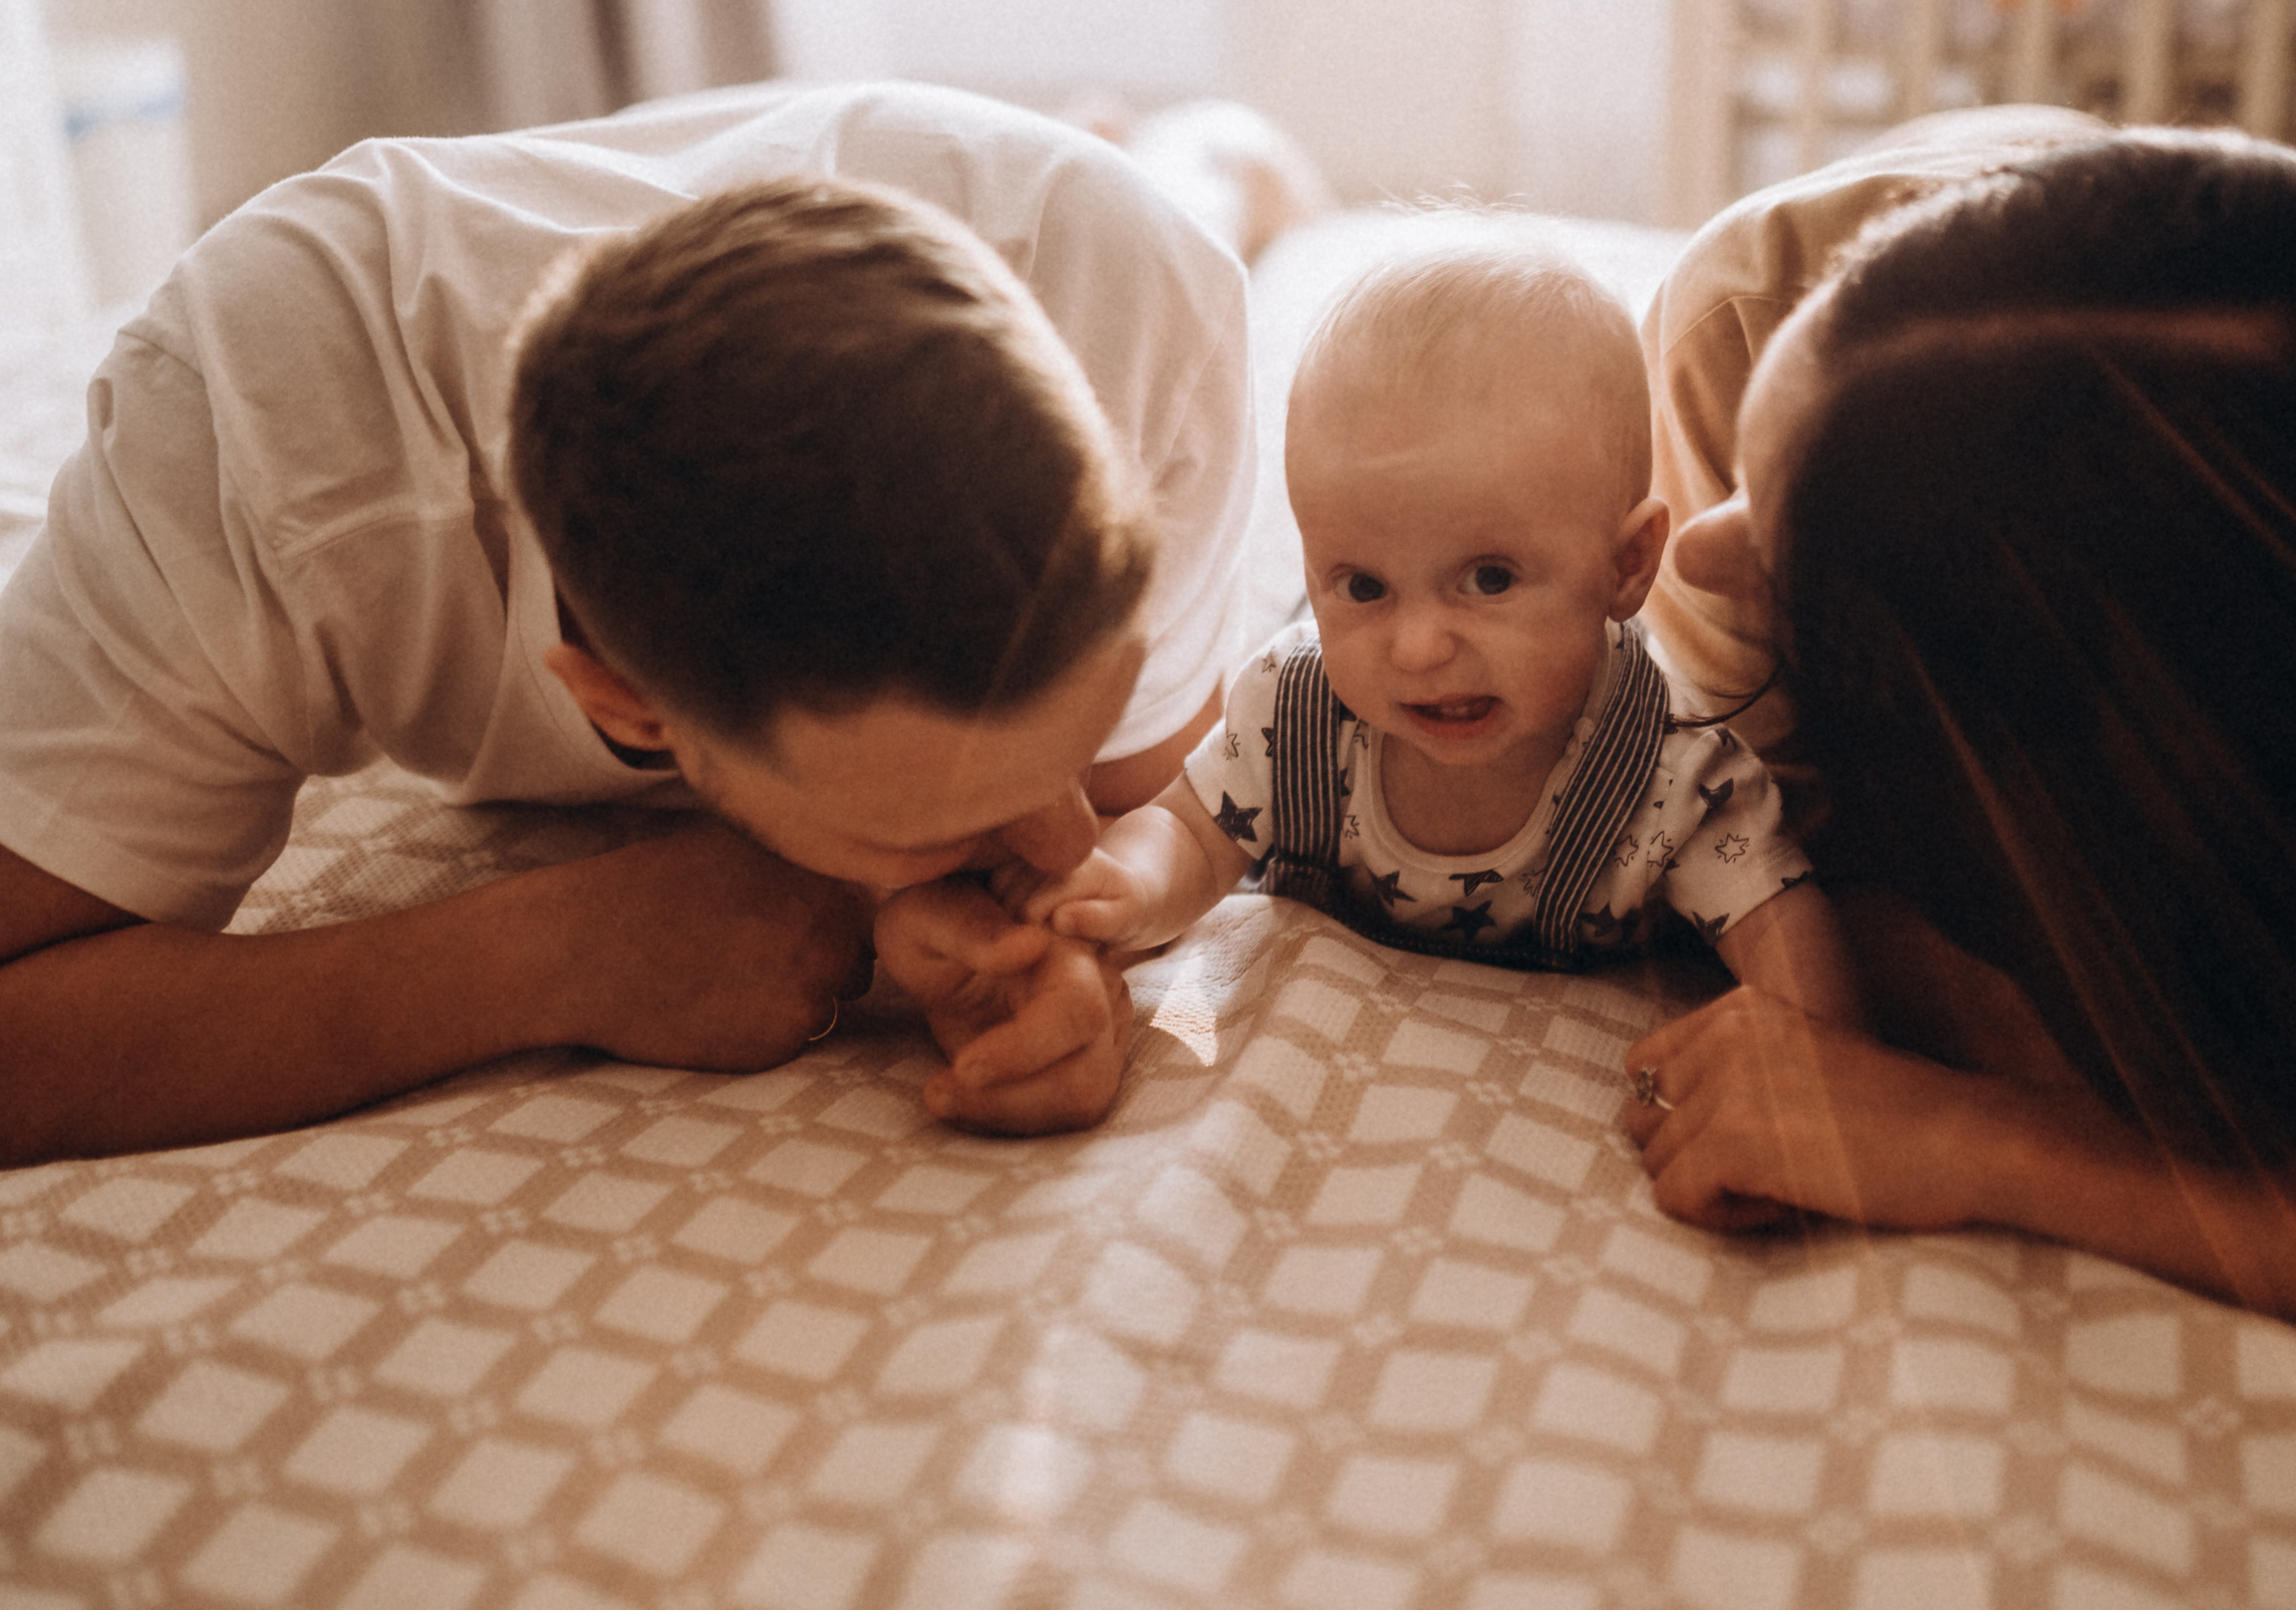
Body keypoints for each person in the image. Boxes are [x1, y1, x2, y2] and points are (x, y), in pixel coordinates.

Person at [0, 81, 1255, 1165]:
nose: (1063, 826)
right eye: (945, 822)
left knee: (1198, 186)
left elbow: (1146, 805)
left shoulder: (1143, 318)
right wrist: (545, 957)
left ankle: (1220, 151)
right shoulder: (260, 448)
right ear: (626, 706)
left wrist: (1049, 949)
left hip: (1052, 186)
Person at [1620, 110, 2296, 1386]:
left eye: (1782, 571)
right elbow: (1711, 860)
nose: (1693, 556)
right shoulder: (1743, 330)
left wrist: (1980, 1142)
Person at [999, 232, 1862, 1027]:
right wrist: (1130, 884)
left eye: (1489, 580)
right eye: (1363, 587)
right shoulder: (1294, 714)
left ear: (1627, 566)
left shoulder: (1668, 767)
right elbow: (1192, 830)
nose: (1417, 650)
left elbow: (1777, 922)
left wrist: (1815, 1050)